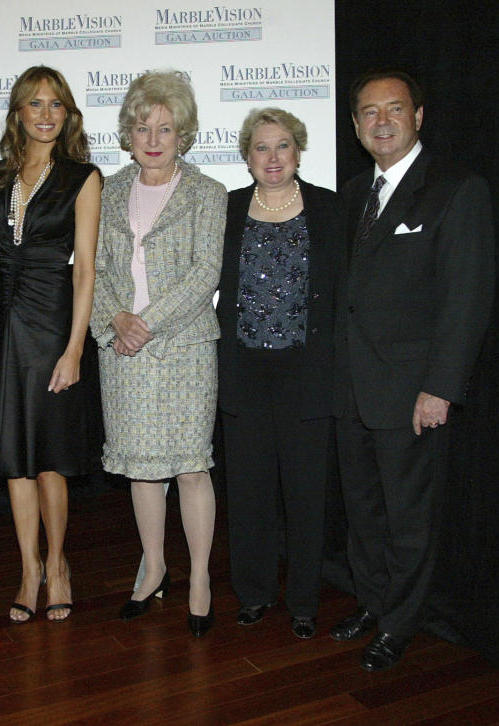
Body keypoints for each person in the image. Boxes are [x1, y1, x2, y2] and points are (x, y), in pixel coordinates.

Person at [331, 69, 494, 671]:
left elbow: (467, 299)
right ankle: (373, 603)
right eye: (369, 112)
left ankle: (400, 623)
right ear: (354, 125)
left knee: (407, 517)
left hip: (411, 394)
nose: (381, 121)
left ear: (418, 116)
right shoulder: (351, 194)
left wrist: (441, 388)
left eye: (394, 109)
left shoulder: (456, 188)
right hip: (350, 388)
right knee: (362, 510)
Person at [90, 71, 226, 637]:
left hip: (184, 350)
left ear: (183, 133)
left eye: (164, 127)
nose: (152, 137)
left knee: (191, 466)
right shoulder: (106, 190)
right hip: (122, 351)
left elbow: (205, 274)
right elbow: (93, 271)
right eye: (143, 126)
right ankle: (153, 568)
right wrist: (115, 321)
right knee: (142, 473)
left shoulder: (208, 193)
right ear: (128, 131)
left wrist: (144, 322)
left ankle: (199, 578)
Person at [0, 66, 101, 623]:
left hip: (53, 326)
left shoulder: (84, 176)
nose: (46, 114)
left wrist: (75, 348)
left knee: (50, 458)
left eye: (56, 104)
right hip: (4, 326)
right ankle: (27, 569)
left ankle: (58, 565)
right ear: (18, 114)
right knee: (15, 460)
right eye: (35, 103)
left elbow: (85, 272)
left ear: (68, 113)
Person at [217, 108, 344, 639]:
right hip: (244, 367)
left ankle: (305, 600)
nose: (273, 158)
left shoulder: (330, 208)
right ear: (247, 156)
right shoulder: (225, 209)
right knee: (247, 489)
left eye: (283, 146)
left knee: (307, 491)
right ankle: (254, 592)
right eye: (261, 147)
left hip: (307, 369)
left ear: (299, 151)